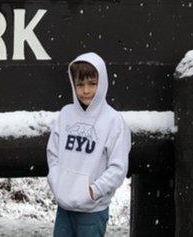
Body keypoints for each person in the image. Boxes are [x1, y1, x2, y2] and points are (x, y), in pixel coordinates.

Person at [46, 52, 131, 237]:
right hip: (65, 209)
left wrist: (93, 191)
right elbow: (53, 153)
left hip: (92, 212)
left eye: (92, 84)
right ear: (73, 85)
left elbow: (118, 167)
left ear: (102, 84)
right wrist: (57, 181)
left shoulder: (113, 121)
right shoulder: (66, 114)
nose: (86, 91)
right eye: (80, 84)